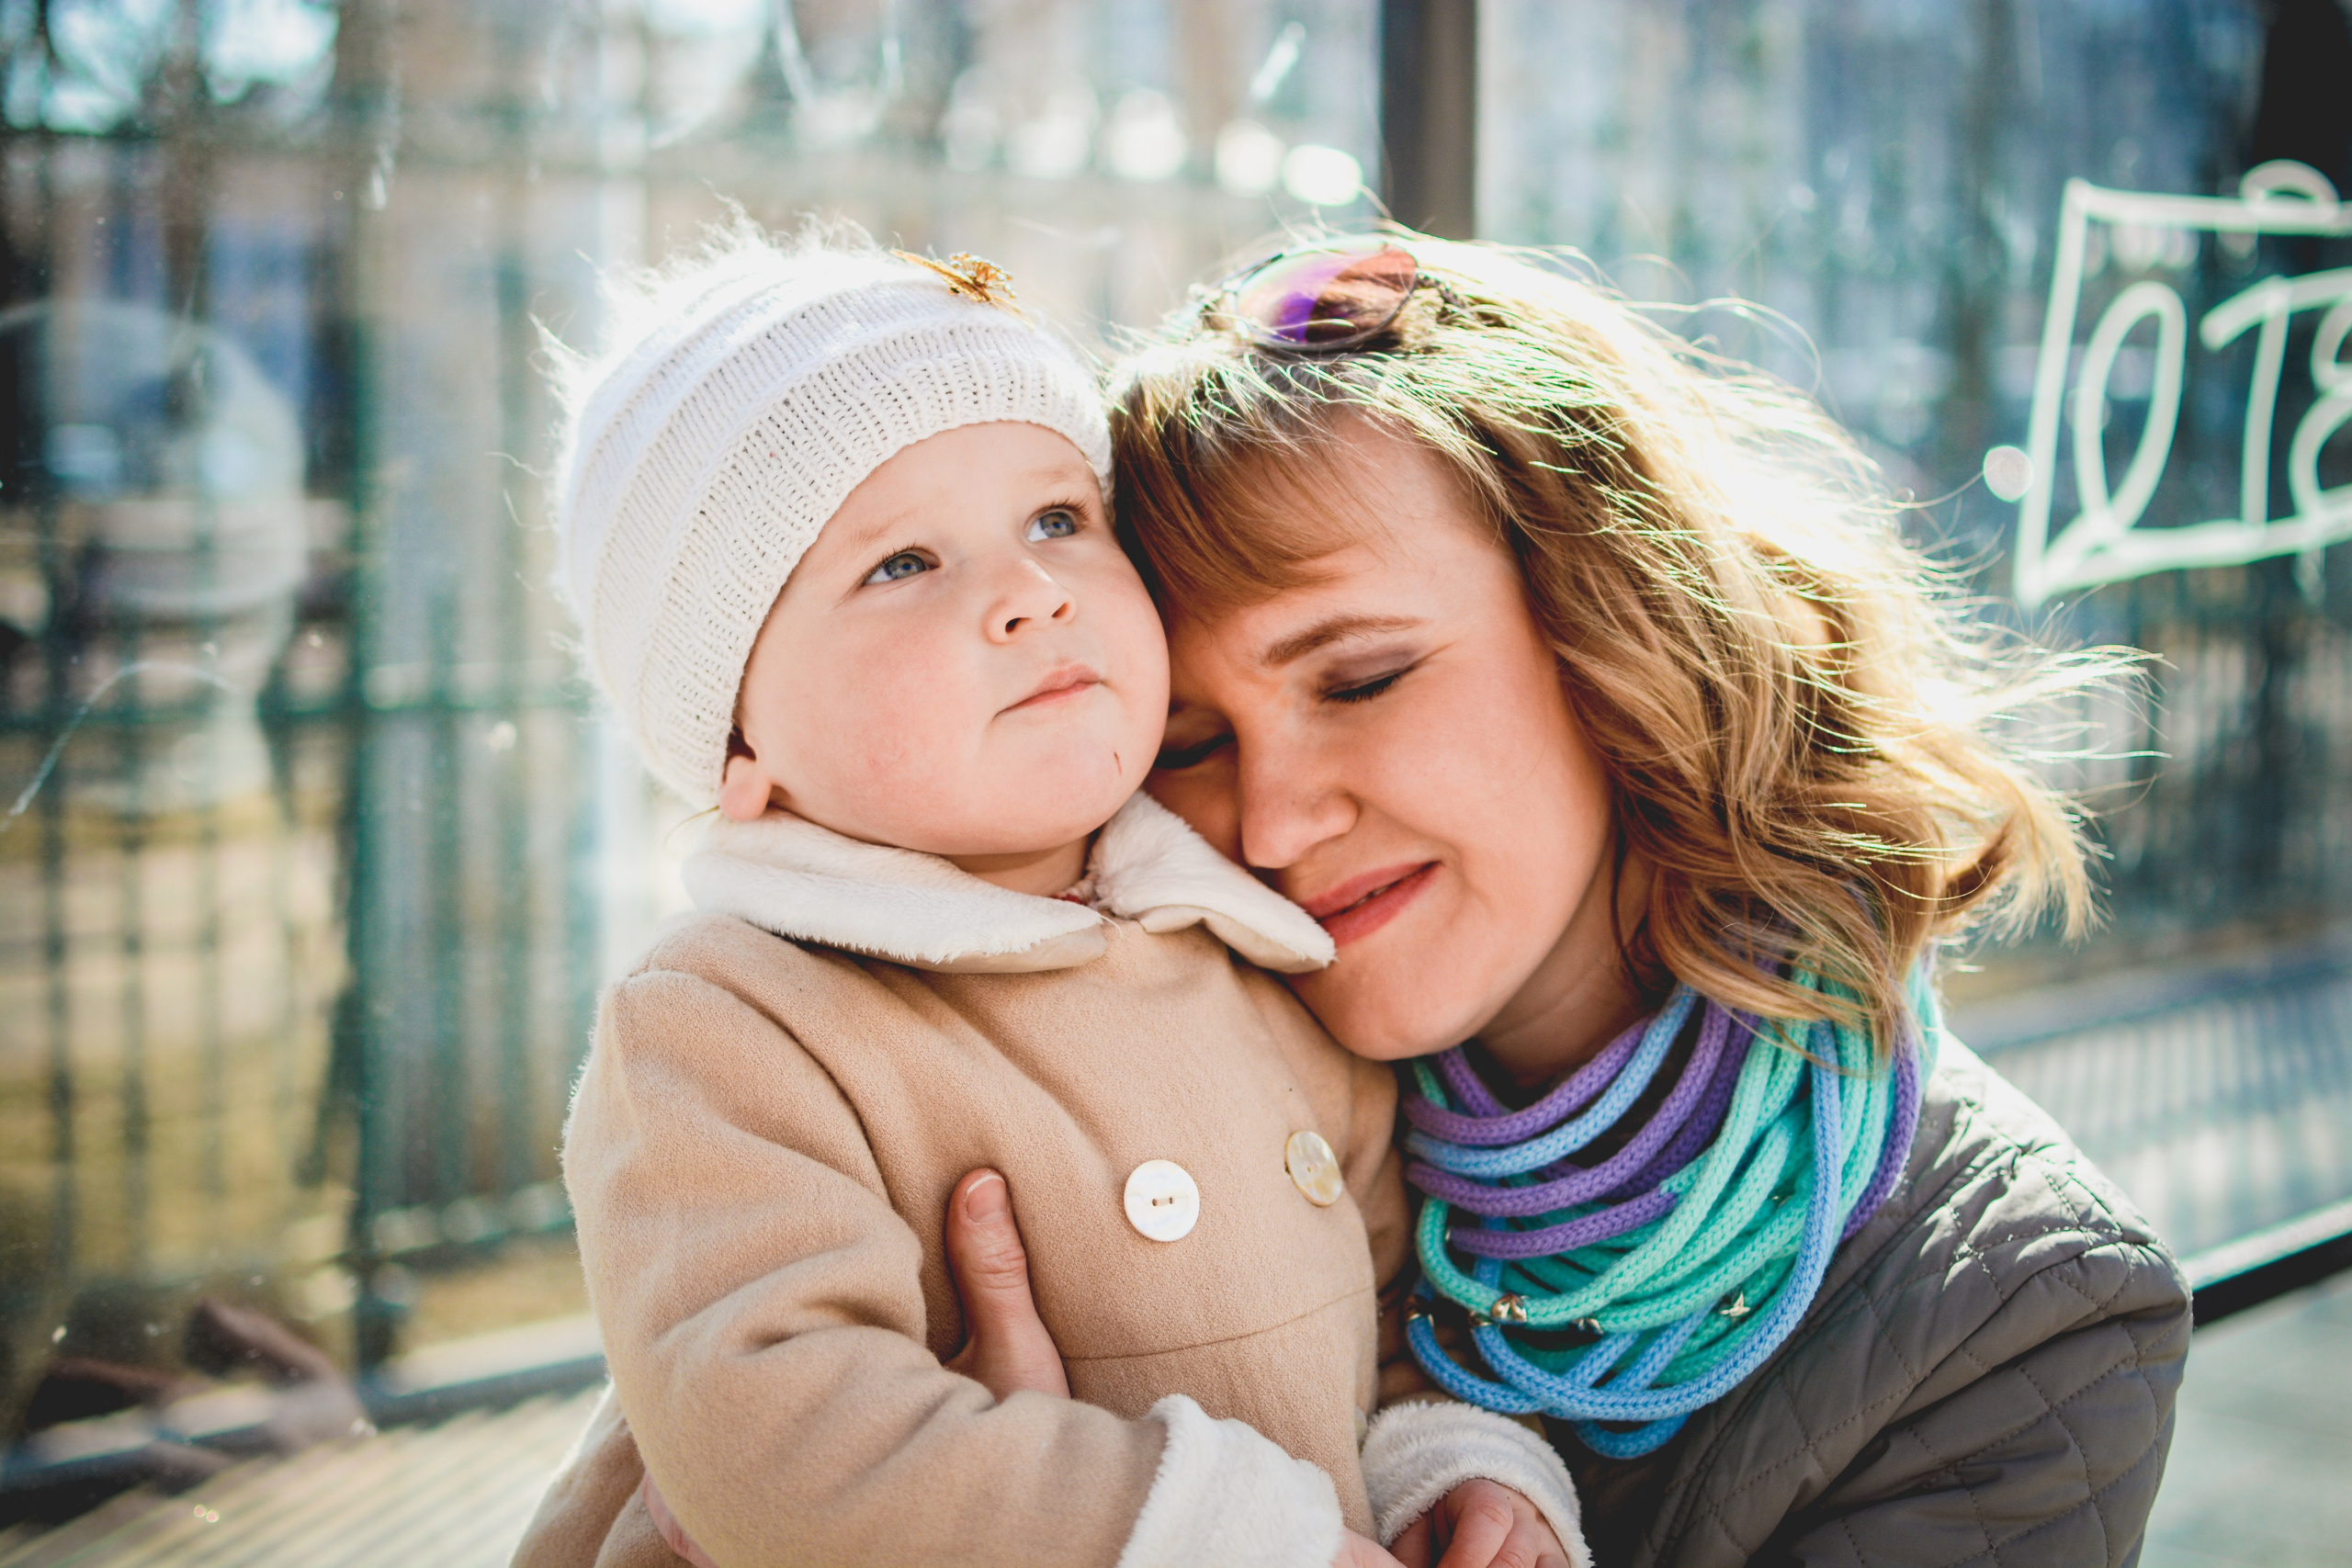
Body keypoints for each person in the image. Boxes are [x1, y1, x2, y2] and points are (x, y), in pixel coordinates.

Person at [938, 232, 2193, 1568]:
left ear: (1620, 630)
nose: (1274, 820)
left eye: (1360, 678)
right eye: (1190, 743)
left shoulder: (2026, 1322)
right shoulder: (1073, 1124)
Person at [508, 224, 1585, 1568]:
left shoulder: (1261, 953)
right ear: (740, 749)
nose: (1028, 593)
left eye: (1058, 520)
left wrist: (1450, 1470)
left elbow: (1380, 1319)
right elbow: (776, 1431)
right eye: (901, 563)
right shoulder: (729, 1023)